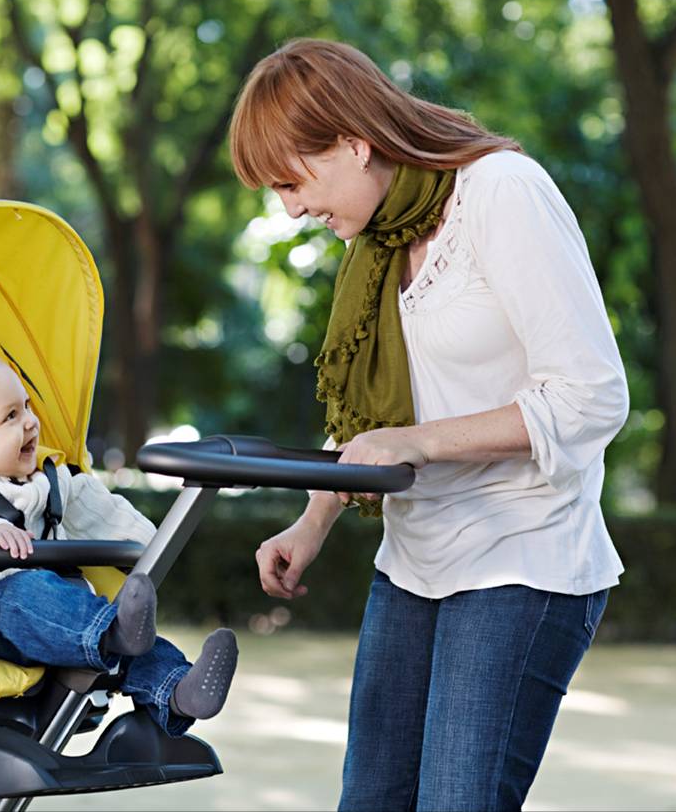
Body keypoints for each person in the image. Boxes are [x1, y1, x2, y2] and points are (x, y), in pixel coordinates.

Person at [229, 39, 628, 810]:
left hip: (523, 554)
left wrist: (419, 443)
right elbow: (375, 417)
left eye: (291, 180)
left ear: (353, 141)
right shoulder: (379, 239)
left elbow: (592, 396)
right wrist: (312, 523)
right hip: (414, 560)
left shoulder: (501, 193)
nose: (291, 207)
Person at [0, 347, 237, 736]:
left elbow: (106, 513)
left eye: (26, 406)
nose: (30, 423)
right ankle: (114, 633)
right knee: (32, 593)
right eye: (9, 417)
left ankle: (179, 691)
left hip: (75, 612)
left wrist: (153, 546)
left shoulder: (53, 480)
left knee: (127, 638)